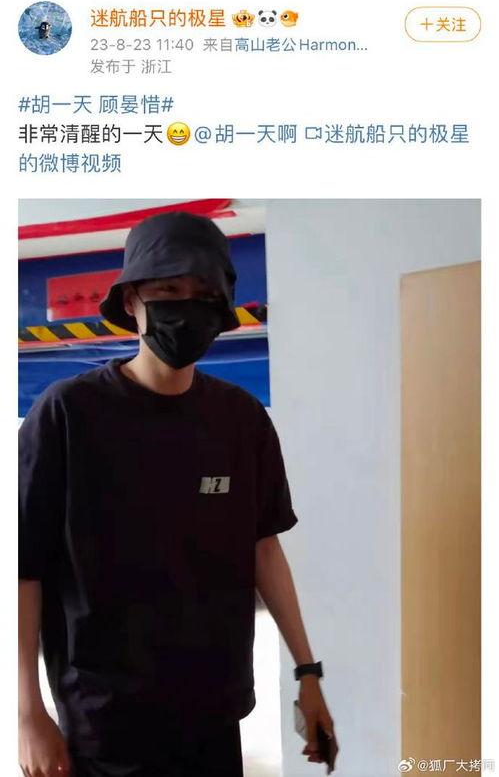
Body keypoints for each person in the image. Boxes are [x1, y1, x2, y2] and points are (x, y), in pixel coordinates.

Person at [18, 212, 337, 777]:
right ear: (132, 300)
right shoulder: (67, 414)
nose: (187, 307)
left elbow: (263, 547)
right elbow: (24, 570)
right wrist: (27, 713)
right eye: (168, 290)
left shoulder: (241, 420)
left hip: (214, 711)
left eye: (204, 294)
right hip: (104, 722)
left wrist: (307, 674)